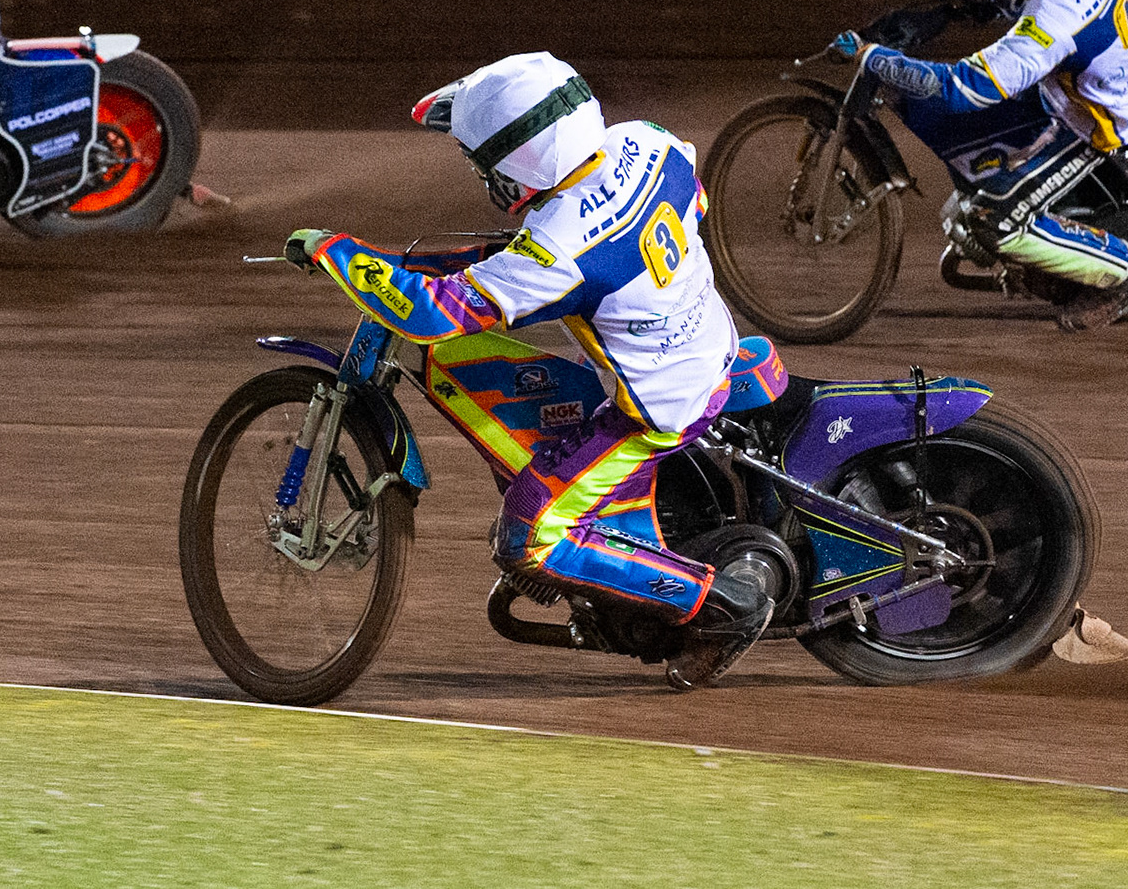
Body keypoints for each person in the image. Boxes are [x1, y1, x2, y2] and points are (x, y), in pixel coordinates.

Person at [284, 52, 775, 690]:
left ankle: (720, 607)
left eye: (482, 162)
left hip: (660, 405)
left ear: (521, 162)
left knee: (527, 535)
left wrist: (337, 252)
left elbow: (437, 316)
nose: (478, 174)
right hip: (699, 336)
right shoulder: (645, 141)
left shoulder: (560, 249)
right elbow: (683, 204)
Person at [829, 0, 1128, 330]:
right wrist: (973, 8)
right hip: (1091, 84)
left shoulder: (1050, 26)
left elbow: (963, 87)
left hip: (1091, 121)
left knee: (995, 220)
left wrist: (874, 58)